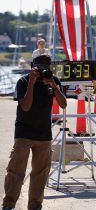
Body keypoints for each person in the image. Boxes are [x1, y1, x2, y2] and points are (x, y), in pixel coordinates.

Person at [2, 55, 67, 210]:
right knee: (15, 171)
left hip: (44, 134)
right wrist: (31, 84)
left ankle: (35, 205)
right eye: (40, 67)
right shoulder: (23, 81)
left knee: (40, 173)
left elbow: (63, 104)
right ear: (33, 67)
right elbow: (25, 107)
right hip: (24, 133)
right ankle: (8, 205)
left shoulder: (53, 81)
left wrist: (54, 86)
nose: (43, 71)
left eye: (46, 67)